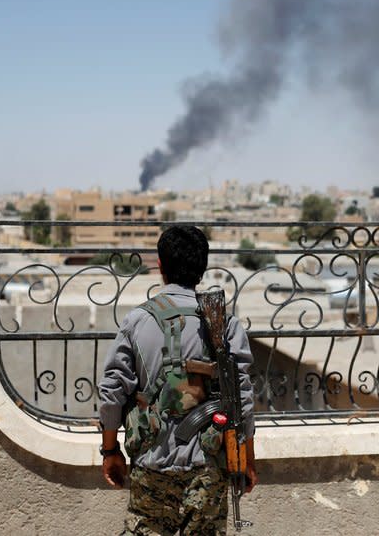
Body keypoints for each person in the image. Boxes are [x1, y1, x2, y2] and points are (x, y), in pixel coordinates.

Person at [98, 225, 257, 535]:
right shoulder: (227, 325)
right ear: (202, 268)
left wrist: (109, 452)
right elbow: (243, 399)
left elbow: (112, 392)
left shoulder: (137, 321)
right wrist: (246, 460)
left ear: (160, 265)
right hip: (207, 471)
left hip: (151, 464)